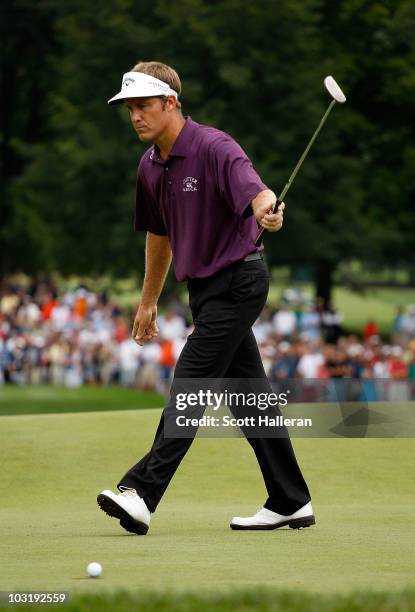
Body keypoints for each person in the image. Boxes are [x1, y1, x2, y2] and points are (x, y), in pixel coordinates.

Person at [97, 61, 314, 535]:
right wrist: (148, 300)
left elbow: (256, 192)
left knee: (191, 381)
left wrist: (267, 211)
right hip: (205, 291)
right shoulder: (150, 165)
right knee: (249, 396)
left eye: (143, 106)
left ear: (170, 102)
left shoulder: (214, 146)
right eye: (129, 108)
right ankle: (290, 499)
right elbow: (159, 235)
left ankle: (142, 492)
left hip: (240, 281)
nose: (135, 116)